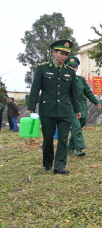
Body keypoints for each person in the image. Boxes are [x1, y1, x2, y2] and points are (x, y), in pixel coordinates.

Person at [27, 40, 81, 175]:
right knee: (48, 138)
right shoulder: (42, 68)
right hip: (47, 110)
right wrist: (31, 108)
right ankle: (47, 163)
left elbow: (74, 93)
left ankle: (59, 166)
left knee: (63, 138)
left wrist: (77, 109)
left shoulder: (70, 71)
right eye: (62, 53)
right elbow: (35, 90)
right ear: (54, 53)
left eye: (66, 54)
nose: (64, 57)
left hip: (64, 110)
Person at [64, 56, 101, 157]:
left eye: (75, 67)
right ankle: (79, 149)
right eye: (70, 66)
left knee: (81, 124)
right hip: (70, 107)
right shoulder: (63, 80)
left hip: (82, 107)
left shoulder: (81, 80)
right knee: (76, 128)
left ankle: (69, 148)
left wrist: (96, 102)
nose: (73, 69)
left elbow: (88, 92)